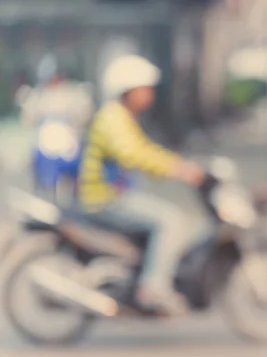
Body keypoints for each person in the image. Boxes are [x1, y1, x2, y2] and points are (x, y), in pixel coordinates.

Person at [78, 55, 205, 315]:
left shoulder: (123, 116)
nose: (150, 94)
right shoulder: (113, 118)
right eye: (144, 89)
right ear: (128, 90)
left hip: (115, 194)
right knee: (171, 220)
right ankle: (153, 286)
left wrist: (176, 164)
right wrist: (177, 168)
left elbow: (143, 149)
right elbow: (132, 153)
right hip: (105, 199)